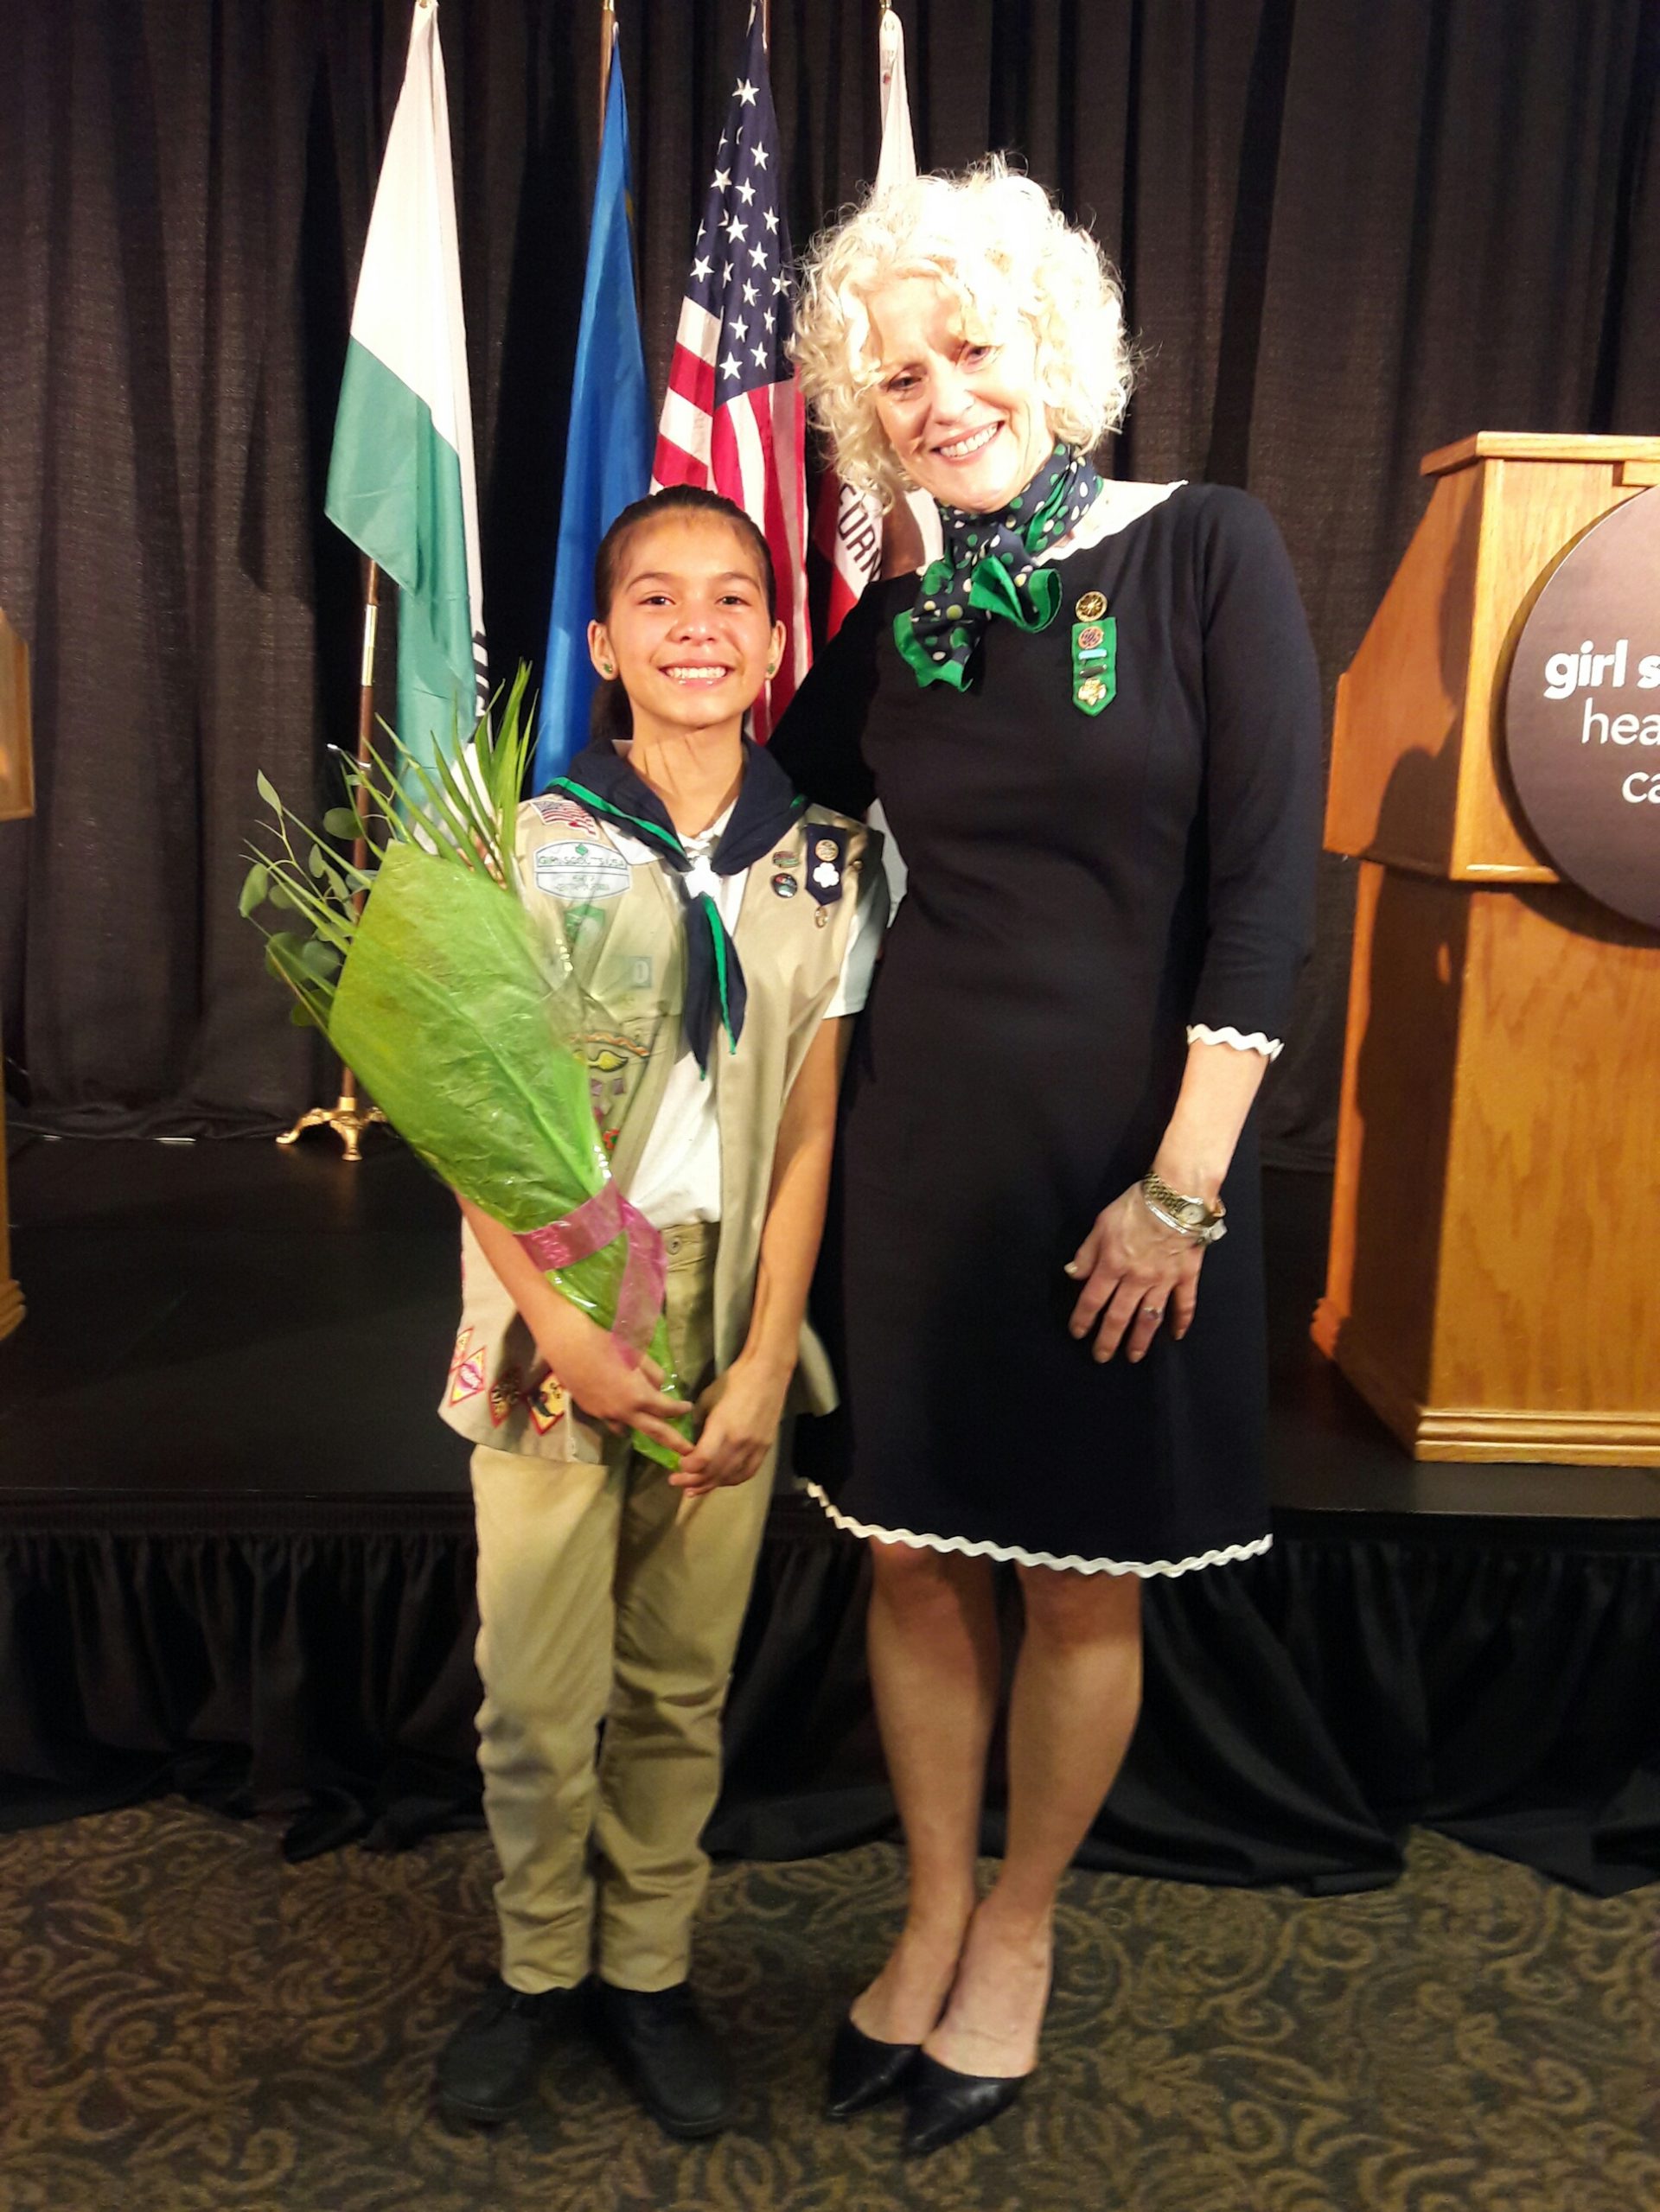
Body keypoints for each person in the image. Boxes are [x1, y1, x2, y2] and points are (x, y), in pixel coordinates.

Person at [773, 162, 1323, 2157]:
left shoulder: (1209, 552)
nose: (937, 395)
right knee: (915, 1555)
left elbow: (1267, 899)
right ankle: (926, 1909)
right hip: (923, 1147)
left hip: (1130, 1161)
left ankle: (1020, 1927)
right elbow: (771, 794)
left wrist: (1182, 1186)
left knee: (1084, 1583)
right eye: (895, 375)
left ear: (1052, 351)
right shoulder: (904, 617)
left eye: (968, 348)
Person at [432, 486, 885, 2140]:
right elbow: (465, 1108)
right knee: (539, 1689)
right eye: (658, 601)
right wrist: (552, 1324)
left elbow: (817, 1123)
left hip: (724, 1317)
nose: (698, 626)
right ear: (608, 642)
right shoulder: (529, 848)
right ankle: (537, 1970)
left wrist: (770, 1352)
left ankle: (646, 1970)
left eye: (732, 600)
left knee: (682, 1682)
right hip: (562, 1303)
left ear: (776, 642)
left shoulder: (834, 861)